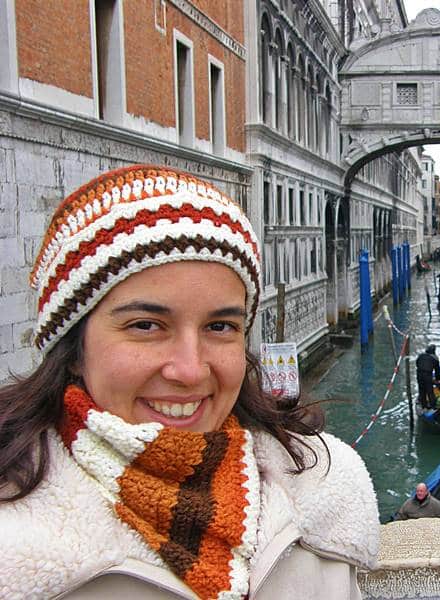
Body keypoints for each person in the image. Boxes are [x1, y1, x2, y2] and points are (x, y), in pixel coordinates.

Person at [0, 165, 379, 599]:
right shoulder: (13, 546)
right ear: (73, 350)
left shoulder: (326, 489)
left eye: (219, 327)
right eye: (145, 325)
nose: (191, 370)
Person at [416, 344, 440, 409]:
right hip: (427, 375)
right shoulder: (435, 358)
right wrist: (437, 380)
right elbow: (437, 371)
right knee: (430, 391)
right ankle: (433, 406)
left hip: (419, 374)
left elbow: (417, 363)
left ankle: (424, 406)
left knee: (422, 390)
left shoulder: (420, 356)